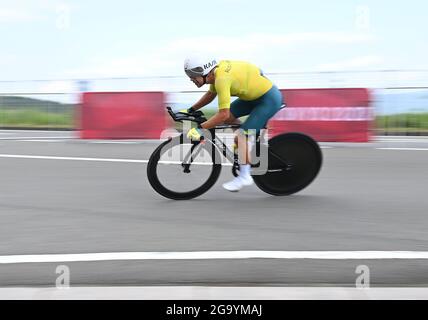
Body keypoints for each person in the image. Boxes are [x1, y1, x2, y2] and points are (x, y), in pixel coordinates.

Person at [184, 57, 283, 192]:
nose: (191, 79)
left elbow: (222, 114)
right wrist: (191, 110)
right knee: (231, 121)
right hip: (252, 98)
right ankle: (248, 139)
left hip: (268, 100)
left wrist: (201, 128)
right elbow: (210, 95)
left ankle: (244, 176)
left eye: (192, 76)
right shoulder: (215, 74)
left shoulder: (222, 79)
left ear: (204, 71)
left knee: (240, 136)